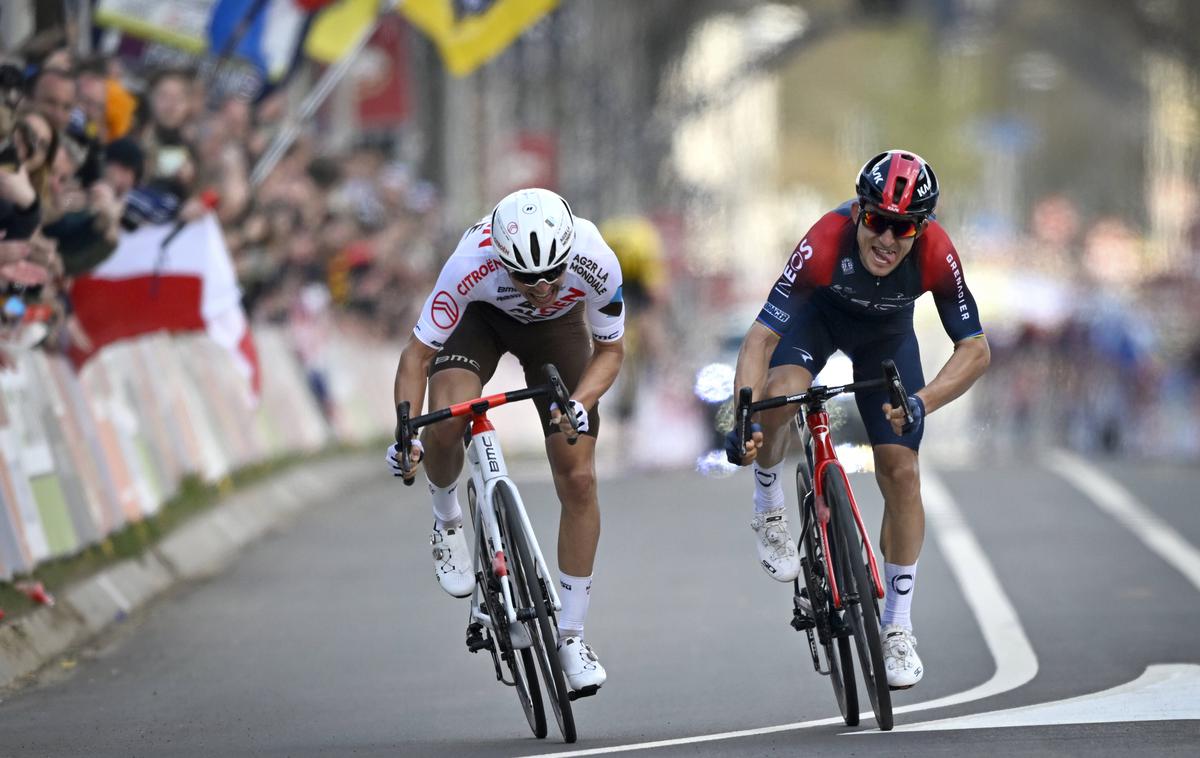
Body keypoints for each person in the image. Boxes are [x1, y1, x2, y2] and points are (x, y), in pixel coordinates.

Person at [725, 150, 990, 690]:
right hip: (816, 322)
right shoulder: (825, 239)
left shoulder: (937, 251)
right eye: (876, 221)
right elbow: (760, 339)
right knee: (782, 393)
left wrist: (924, 401)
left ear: (922, 229)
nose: (887, 240)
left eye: (903, 228)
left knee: (902, 472)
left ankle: (896, 626)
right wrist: (744, 414)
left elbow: (976, 349)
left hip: (886, 340)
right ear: (858, 214)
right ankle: (770, 503)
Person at [388, 187, 625, 694]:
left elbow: (611, 351)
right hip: (480, 322)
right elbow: (416, 357)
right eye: (524, 275)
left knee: (579, 477)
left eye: (551, 273)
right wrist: (407, 434)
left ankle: (572, 636)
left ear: (569, 256)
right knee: (445, 421)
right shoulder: (469, 264)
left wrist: (579, 404)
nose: (540, 285)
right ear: (500, 259)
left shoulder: (596, 259)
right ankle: (447, 518)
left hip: (556, 331)